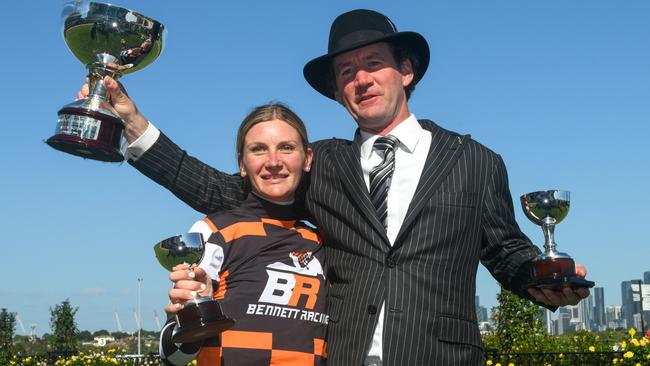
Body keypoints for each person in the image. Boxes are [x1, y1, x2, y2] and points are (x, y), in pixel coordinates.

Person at [79, 9, 589, 365]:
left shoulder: (476, 161)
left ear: (406, 71)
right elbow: (223, 192)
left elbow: (504, 249)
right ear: (338, 91)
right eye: (347, 71)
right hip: (339, 356)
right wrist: (134, 123)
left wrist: (542, 279)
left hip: (440, 354)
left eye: (372, 64)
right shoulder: (325, 164)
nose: (360, 78)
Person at [158, 103, 327, 366]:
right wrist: (196, 311)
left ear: (307, 159)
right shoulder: (214, 232)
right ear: (242, 164)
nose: (273, 162)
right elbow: (174, 358)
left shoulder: (323, 241)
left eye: (286, 147)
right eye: (259, 149)